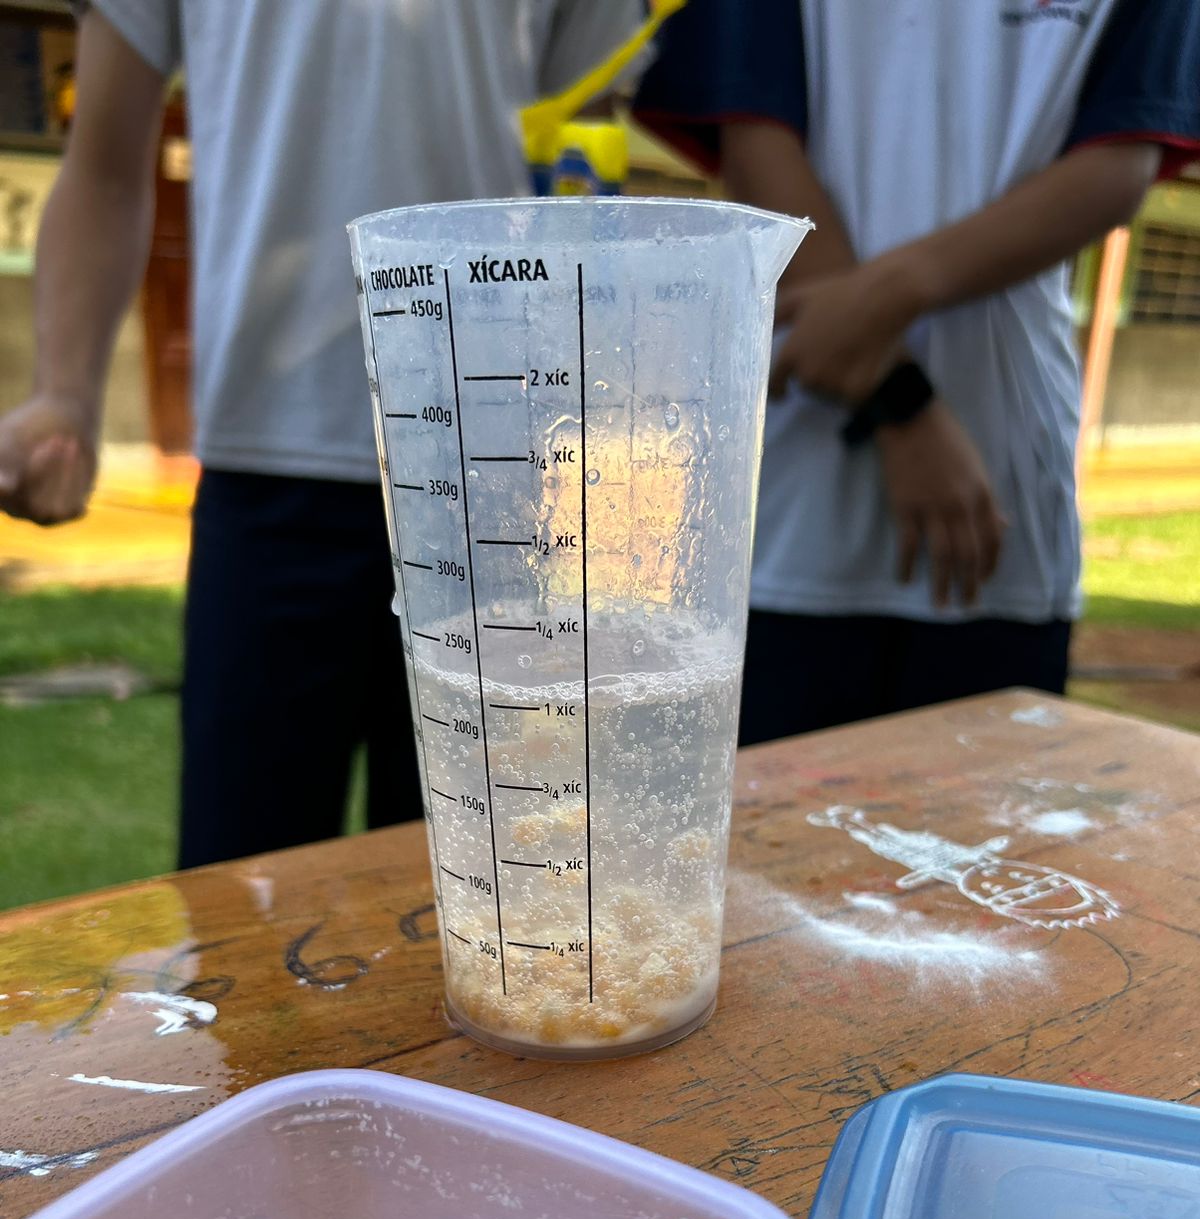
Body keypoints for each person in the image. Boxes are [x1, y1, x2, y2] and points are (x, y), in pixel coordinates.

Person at [0, 0, 645, 866]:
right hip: (265, 477)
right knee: (240, 891)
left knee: (487, 901)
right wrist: (66, 394)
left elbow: (584, 159)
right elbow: (106, 165)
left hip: (494, 484)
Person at [636, 0, 1200, 741]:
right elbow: (754, 144)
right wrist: (898, 399)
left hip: (1000, 486)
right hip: (789, 504)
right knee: (768, 805)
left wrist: (885, 305)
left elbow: (1118, 166)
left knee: (984, 806)